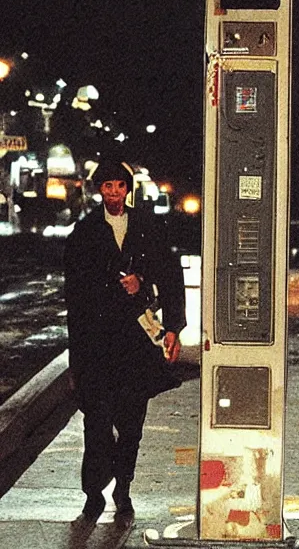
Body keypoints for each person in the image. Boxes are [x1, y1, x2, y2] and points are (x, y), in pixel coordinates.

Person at [64, 159, 186, 525]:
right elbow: (74, 294)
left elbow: (170, 274)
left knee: (132, 422)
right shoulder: (84, 232)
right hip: (97, 341)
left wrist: (173, 326)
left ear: (127, 189)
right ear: (98, 190)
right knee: (96, 421)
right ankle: (93, 495)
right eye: (107, 187)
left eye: (119, 186)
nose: (114, 193)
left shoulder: (148, 225)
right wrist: (77, 354)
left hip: (136, 340)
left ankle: (123, 488)